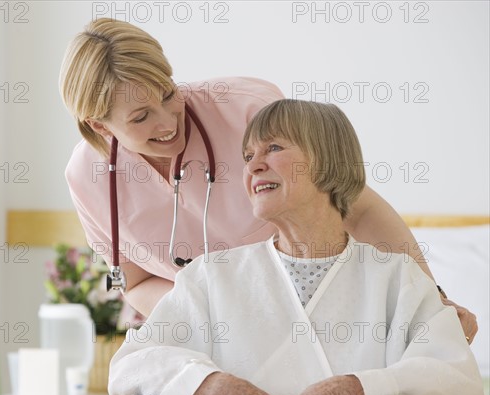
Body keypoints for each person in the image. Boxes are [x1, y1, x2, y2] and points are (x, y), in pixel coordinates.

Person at [59, 18, 477, 341]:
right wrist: (213, 320)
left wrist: (433, 300)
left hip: (318, 308)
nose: (170, 121)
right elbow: (136, 282)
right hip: (212, 335)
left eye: (167, 93)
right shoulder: (89, 179)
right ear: (100, 126)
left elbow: (356, 204)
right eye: (140, 117)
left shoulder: (247, 110)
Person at [108, 99, 484, 395]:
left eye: (273, 148)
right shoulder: (211, 276)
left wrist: (348, 391)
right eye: (247, 155)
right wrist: (219, 387)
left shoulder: (397, 278)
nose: (253, 166)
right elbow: (131, 366)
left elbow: (456, 383)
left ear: (328, 161)